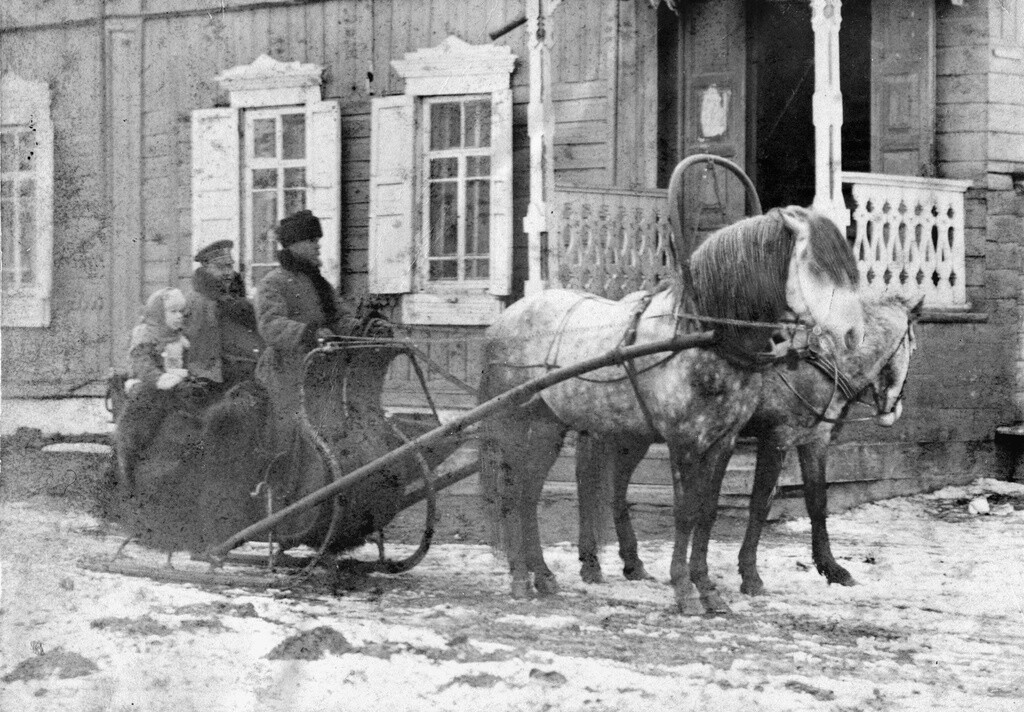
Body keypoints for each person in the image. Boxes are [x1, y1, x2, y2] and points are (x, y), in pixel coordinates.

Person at [255, 210, 360, 424]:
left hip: (321, 371)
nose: (318, 246)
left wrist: (360, 329)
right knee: (292, 432)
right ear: (294, 244)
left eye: (318, 240)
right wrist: (308, 332)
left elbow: (338, 318)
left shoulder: (319, 283)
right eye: (312, 240)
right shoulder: (273, 282)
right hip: (284, 376)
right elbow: (271, 325)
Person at [184, 240, 264, 391]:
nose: (228, 273)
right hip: (215, 382)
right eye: (221, 267)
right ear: (206, 268)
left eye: (230, 266)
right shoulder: (199, 302)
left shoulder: (235, 302)